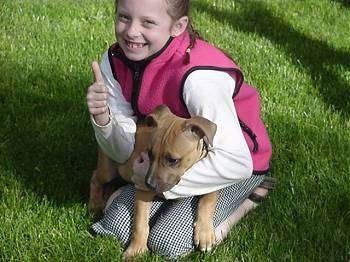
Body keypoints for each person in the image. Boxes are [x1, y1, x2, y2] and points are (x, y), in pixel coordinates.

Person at [86, 0, 274, 259]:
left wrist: (157, 186)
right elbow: (124, 149)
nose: (131, 31)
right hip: (166, 158)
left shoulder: (199, 79)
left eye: (148, 22)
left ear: (179, 26)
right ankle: (142, 194)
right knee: (117, 225)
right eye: (124, 17)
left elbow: (236, 161)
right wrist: (104, 119)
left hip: (232, 164)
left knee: (168, 241)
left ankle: (251, 195)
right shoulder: (115, 60)